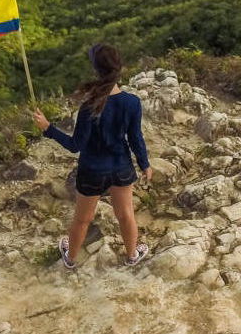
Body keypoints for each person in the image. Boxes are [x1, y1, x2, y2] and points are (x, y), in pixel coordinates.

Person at [31, 43, 153, 269]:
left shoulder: (89, 106)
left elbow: (75, 145)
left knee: (82, 219)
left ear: (96, 71)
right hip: (122, 167)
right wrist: (145, 164)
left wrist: (48, 128)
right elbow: (136, 137)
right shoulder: (132, 102)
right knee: (126, 215)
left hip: (92, 171)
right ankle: (132, 256)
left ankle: (70, 259)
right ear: (120, 68)